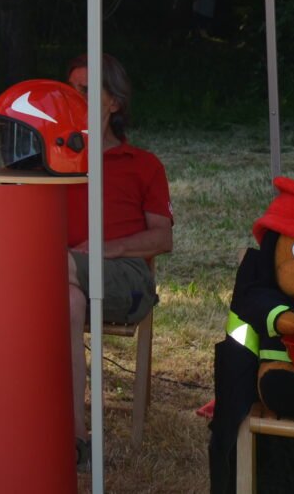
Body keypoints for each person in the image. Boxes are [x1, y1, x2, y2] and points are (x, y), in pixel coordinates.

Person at [64, 53, 173, 471]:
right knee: (68, 300)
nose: (76, 99)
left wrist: (111, 247)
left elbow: (163, 238)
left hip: (125, 278)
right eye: (70, 90)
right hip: (64, 278)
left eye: (87, 91)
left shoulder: (142, 164)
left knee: (54, 269)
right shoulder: (55, 162)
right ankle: (76, 439)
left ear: (114, 102)